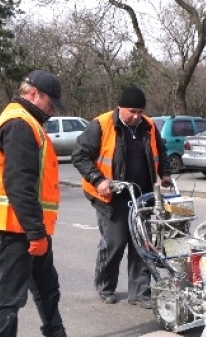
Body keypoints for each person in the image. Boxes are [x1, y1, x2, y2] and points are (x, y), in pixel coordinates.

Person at [0, 69, 98, 337]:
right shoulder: (19, 125)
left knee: (47, 287)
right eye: (50, 101)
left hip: (29, 226)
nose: (53, 108)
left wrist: (37, 230)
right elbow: (19, 186)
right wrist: (35, 233)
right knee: (11, 297)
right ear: (33, 94)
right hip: (17, 228)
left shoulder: (28, 122)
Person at [71, 85, 172, 307]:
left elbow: (161, 152)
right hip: (112, 197)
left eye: (140, 111)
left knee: (142, 245)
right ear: (120, 108)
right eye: (132, 111)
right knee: (115, 243)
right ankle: (106, 286)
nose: (136, 116)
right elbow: (79, 155)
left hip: (142, 197)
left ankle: (140, 292)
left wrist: (165, 173)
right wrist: (98, 180)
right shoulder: (101, 124)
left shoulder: (149, 126)